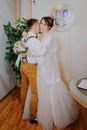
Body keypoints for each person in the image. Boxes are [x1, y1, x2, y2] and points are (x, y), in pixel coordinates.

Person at [23, 16, 79, 130]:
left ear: (49, 27)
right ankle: (41, 112)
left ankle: (55, 115)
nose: (41, 26)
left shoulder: (49, 37)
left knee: (50, 87)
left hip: (47, 66)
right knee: (41, 89)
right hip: (41, 65)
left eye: (44, 24)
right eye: (41, 24)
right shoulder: (40, 36)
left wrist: (28, 54)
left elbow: (42, 52)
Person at [20, 18, 41, 124]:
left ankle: (24, 109)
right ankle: (33, 116)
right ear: (34, 26)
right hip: (31, 67)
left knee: (24, 87)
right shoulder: (35, 41)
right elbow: (39, 58)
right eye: (38, 25)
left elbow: (21, 50)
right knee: (35, 92)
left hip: (22, 65)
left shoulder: (24, 36)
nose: (40, 27)